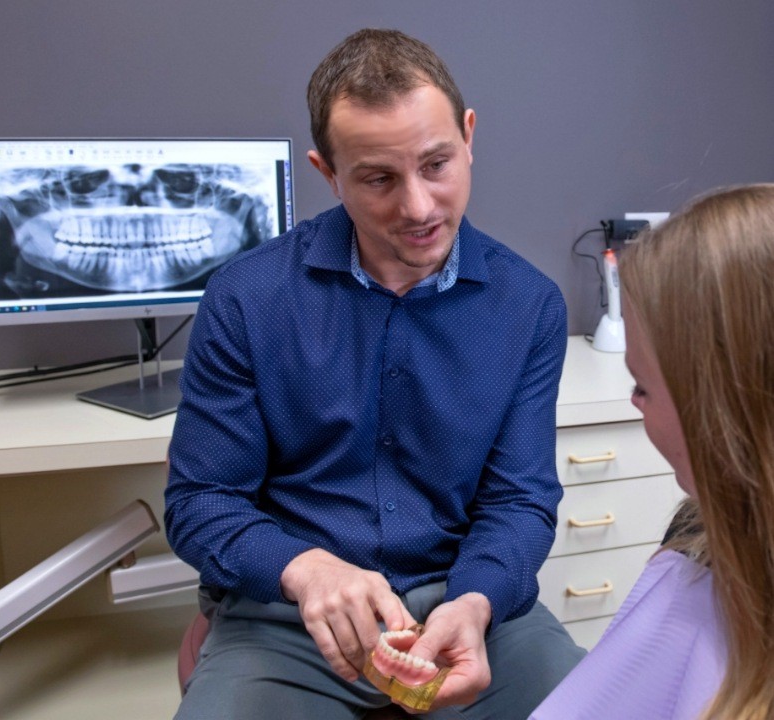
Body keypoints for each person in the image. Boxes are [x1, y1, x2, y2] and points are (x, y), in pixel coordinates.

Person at [165, 28, 584, 719]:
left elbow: (518, 502)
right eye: (378, 179)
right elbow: (200, 501)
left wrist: (476, 602)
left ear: (468, 134)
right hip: (290, 622)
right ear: (327, 172)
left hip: (469, 613)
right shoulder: (245, 300)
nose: (418, 207)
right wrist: (305, 570)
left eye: (436, 165)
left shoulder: (529, 305)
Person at [530, 184, 774, 720]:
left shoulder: (692, 590)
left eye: (641, 387)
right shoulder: (699, 546)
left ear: (719, 411)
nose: (635, 405)